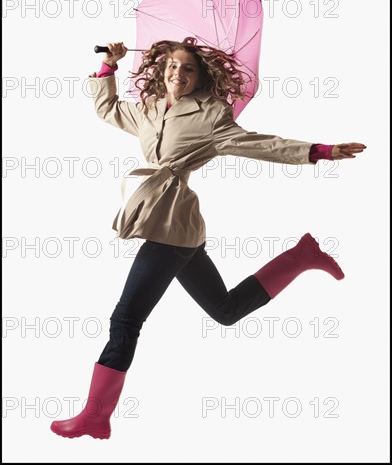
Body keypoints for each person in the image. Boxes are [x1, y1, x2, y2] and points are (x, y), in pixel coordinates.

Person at [50, 38, 366, 439]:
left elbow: (262, 144)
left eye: (187, 68)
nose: (176, 73)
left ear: (201, 77)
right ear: (160, 70)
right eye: (172, 66)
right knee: (225, 310)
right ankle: (300, 257)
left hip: (172, 228)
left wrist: (319, 150)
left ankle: (96, 415)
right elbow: (107, 109)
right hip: (174, 225)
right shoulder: (149, 108)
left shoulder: (212, 115)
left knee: (126, 319)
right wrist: (109, 68)